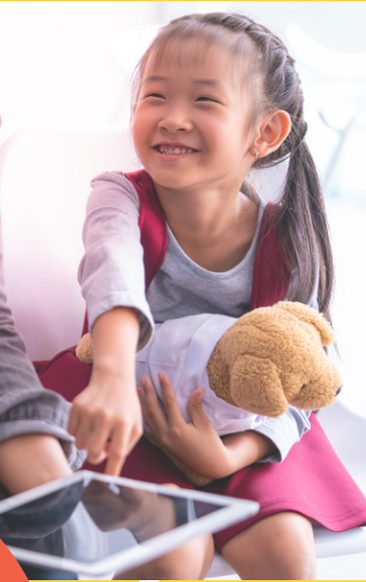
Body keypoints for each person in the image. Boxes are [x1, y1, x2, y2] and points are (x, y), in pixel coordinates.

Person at [65, 12, 366, 580]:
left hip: (241, 434)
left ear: (266, 133)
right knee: (179, 557)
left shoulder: (286, 236)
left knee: (287, 559)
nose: (172, 118)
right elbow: (113, 273)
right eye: (155, 95)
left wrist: (230, 455)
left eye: (204, 101)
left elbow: (305, 375)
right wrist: (109, 376)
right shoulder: (118, 197)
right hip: (131, 407)